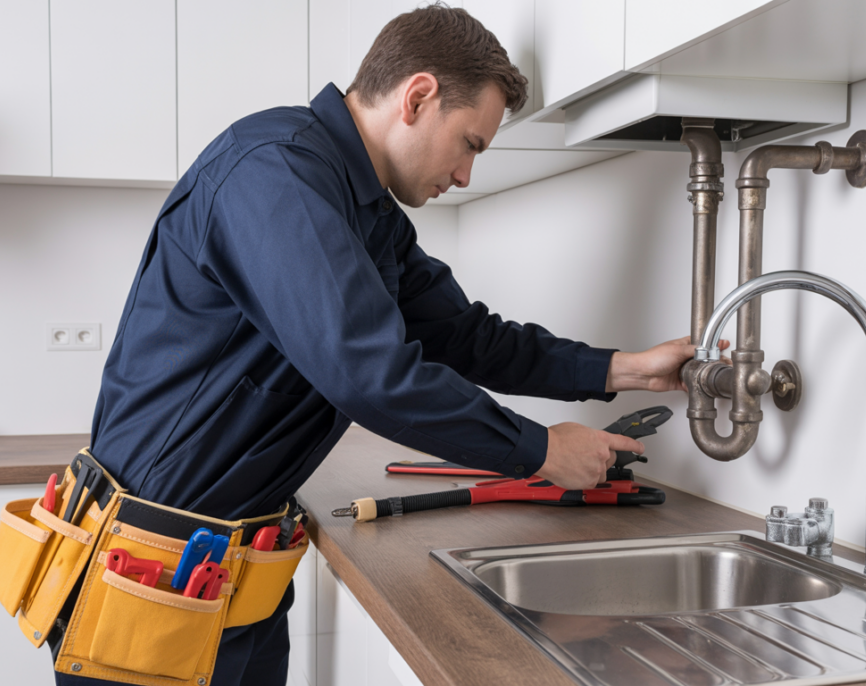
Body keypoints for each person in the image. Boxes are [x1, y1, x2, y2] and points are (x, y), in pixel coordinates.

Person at [57, 5, 723, 685]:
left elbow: (466, 337)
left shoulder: (367, 213)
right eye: (471, 143)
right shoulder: (276, 173)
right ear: (418, 97)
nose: (466, 174)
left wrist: (624, 368)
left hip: (236, 575)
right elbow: (370, 374)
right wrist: (541, 451)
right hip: (151, 572)